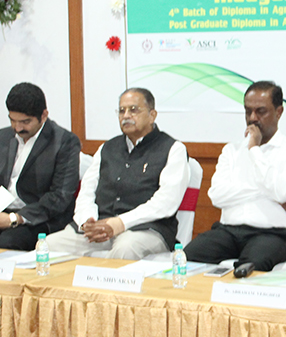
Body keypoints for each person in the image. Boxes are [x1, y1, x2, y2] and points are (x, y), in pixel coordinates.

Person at [45, 88, 189, 260]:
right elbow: (87, 191)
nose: (126, 116)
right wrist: (88, 221)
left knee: (126, 249)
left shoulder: (173, 149)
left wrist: (120, 223)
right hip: (101, 226)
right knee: (49, 245)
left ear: (152, 115)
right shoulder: (107, 148)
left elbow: (166, 202)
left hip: (145, 229)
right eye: (121, 111)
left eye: (133, 110)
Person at [184, 81, 286, 272]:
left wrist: (254, 149)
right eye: (248, 111)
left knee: (250, 268)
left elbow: (282, 192)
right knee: (186, 258)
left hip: (270, 235)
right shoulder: (231, 150)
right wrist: (268, 193)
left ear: (279, 112)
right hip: (227, 231)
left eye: (261, 111)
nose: (252, 118)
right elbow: (217, 196)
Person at [0, 82, 80, 251]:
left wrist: (15, 218)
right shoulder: (0, 138)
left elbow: (59, 197)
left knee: (8, 243)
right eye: (12, 120)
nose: (18, 128)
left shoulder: (64, 142)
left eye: (25, 122)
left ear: (44, 115)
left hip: (37, 218)